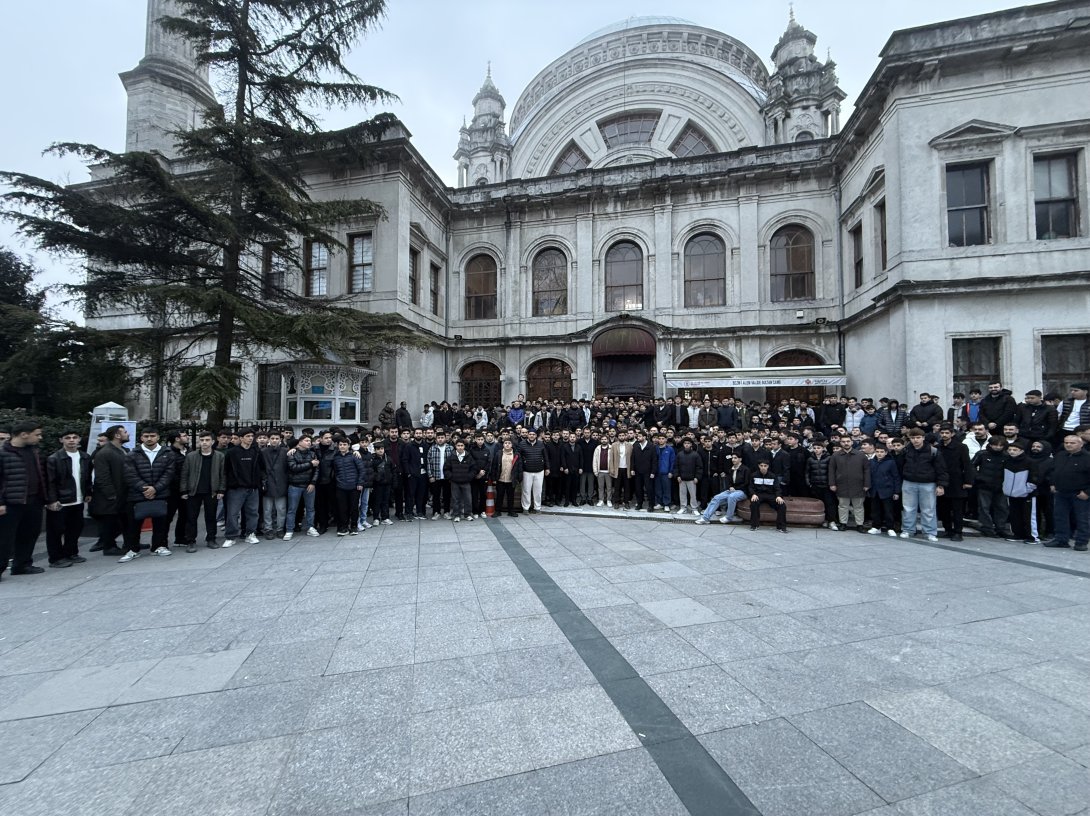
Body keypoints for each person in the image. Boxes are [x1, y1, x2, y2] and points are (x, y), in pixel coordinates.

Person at [0, 421, 48, 578]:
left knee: (29, 534)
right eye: (37, 434)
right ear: (24, 434)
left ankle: (22, 565)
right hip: (11, 503)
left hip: (34, 501)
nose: (40, 438)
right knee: (5, 539)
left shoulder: (34, 451)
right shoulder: (3, 453)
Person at [120, 426, 174, 561]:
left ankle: (158, 546)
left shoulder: (167, 453)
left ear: (158, 437)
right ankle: (133, 548)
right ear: (141, 438)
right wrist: (145, 489)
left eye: (152, 436)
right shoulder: (132, 454)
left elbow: (169, 473)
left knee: (160, 521)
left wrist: (155, 488)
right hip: (138, 494)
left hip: (160, 493)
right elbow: (130, 474)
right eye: (146, 436)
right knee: (134, 524)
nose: (149, 439)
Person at [44, 429, 93, 568]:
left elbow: (87, 477)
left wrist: (88, 492)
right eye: (67, 438)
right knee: (56, 531)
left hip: (78, 499)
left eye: (74, 437)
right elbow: (50, 482)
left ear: (78, 440)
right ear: (61, 440)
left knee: (75, 528)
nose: (71, 440)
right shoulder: (54, 458)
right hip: (61, 501)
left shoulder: (85, 457)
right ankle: (55, 558)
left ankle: (71, 552)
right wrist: (52, 500)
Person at [88, 424, 132, 556]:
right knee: (111, 523)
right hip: (111, 497)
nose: (128, 434)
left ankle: (129, 542)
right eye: (125, 432)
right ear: (117, 435)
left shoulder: (122, 450)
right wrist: (111, 495)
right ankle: (109, 546)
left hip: (122, 494)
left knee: (125, 520)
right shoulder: (105, 453)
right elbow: (102, 477)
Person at [899, 428, 948, 542]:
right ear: (909, 439)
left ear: (923, 438)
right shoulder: (906, 450)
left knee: (928, 509)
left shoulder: (933, 451)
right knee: (908, 508)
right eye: (912, 438)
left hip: (928, 483)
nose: (915, 440)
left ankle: (930, 532)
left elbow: (941, 469)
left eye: (918, 438)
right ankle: (908, 530)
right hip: (909, 482)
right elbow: (900, 466)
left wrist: (941, 485)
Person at [1043, 434, 1090, 551]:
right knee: (1060, 517)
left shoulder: (1087, 458)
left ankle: (1081, 542)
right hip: (1061, 492)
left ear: (1081, 444)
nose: (1068, 445)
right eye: (1066, 442)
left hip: (1080, 494)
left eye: (1072, 443)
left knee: (1082, 519)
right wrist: (1053, 483)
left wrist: (1087, 492)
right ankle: (1061, 540)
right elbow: (1053, 470)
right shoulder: (1060, 455)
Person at [181, 431, 226, 550]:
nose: (204, 443)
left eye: (207, 440)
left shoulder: (219, 456)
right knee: (191, 517)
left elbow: (223, 474)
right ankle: (191, 540)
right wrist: (184, 491)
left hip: (212, 491)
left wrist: (221, 490)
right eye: (202, 440)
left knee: (211, 517)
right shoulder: (191, 456)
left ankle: (211, 539)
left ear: (212, 441)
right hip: (193, 491)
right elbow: (185, 474)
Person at [223, 428, 263, 548]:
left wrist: (259, 482)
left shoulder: (256, 451)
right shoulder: (232, 452)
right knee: (233, 513)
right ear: (241, 438)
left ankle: (250, 533)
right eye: (247, 436)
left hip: (253, 487)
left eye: (252, 436)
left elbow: (261, 468)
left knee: (253, 513)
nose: (250, 438)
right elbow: (225, 470)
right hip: (236, 488)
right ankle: (231, 536)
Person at [936, 424, 972, 541]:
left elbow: (967, 465)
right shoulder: (938, 447)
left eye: (947, 433)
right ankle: (948, 530)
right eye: (942, 433)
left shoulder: (961, 447)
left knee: (957, 509)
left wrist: (968, 481)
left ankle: (958, 532)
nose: (944, 435)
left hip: (957, 481)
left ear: (952, 434)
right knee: (944, 508)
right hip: (942, 481)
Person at [828, 435, 870, 532]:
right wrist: (832, 484)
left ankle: (859, 524)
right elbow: (831, 470)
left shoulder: (860, 455)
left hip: (858, 484)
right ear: (841, 443)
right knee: (843, 505)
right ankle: (843, 523)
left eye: (848, 441)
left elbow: (866, 470)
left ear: (852, 442)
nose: (846, 443)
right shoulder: (835, 455)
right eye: (843, 441)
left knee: (858, 506)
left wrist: (867, 484)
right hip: (841, 484)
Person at [972, 436, 1010, 538]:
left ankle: (1000, 528)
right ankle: (987, 528)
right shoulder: (982, 454)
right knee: (984, 507)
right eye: (995, 445)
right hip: (984, 485)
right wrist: (978, 477)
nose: (997, 447)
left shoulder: (1006, 456)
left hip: (1001, 485)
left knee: (1002, 507)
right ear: (990, 444)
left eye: (1000, 445)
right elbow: (972, 466)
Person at [696, 453, 748, 525]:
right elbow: (729, 482)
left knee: (731, 497)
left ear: (740, 459)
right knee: (717, 497)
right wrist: (730, 487)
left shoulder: (745, 469)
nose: (733, 459)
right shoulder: (731, 469)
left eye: (735, 458)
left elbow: (746, 483)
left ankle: (729, 517)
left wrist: (735, 488)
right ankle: (705, 518)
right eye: (732, 458)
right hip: (732, 490)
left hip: (742, 491)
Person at [1002, 439, 1037, 543]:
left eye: (1015, 450)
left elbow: (1034, 477)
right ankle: (1017, 534)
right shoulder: (1007, 461)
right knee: (1014, 515)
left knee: (1029, 516)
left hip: (1027, 494)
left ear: (1021, 451)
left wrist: (1027, 489)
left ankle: (1032, 536)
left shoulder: (1030, 462)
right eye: (1010, 449)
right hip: (1011, 493)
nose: (1012, 452)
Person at [259, 430, 289, 539]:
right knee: (267, 509)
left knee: (281, 508)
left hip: (281, 482)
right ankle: (268, 529)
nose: (274, 441)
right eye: (272, 438)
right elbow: (261, 467)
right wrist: (264, 478)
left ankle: (280, 528)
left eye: (277, 439)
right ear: (268, 440)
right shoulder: (263, 452)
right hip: (267, 482)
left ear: (280, 440)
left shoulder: (286, 451)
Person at [331, 436, 363, 535]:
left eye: (345, 445)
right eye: (340, 445)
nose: (342, 446)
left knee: (354, 507)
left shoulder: (354, 456)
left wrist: (360, 483)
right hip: (341, 487)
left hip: (354, 486)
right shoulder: (335, 457)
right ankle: (343, 527)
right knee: (342, 508)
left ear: (349, 446)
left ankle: (354, 526)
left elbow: (361, 470)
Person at [866, 445, 901, 536]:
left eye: (881, 452)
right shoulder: (871, 462)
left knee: (888, 510)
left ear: (886, 453)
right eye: (877, 452)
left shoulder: (891, 462)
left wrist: (896, 491)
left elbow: (896, 477)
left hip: (887, 490)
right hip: (874, 490)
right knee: (875, 510)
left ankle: (890, 527)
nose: (879, 454)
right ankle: (876, 527)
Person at [748, 460, 787, 532]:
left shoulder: (773, 476)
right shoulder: (753, 475)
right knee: (753, 503)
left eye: (765, 466)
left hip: (770, 495)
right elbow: (750, 487)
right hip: (758, 495)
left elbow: (777, 488)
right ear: (759, 466)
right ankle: (754, 525)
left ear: (768, 466)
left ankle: (780, 527)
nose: (763, 467)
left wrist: (778, 496)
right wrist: (753, 494)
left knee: (782, 505)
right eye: (761, 466)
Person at [517, 430, 549, 513]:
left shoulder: (541, 444)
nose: (531, 436)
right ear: (527, 435)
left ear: (536, 435)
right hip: (526, 471)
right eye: (530, 434)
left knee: (538, 491)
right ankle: (525, 508)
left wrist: (547, 468)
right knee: (526, 491)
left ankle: (537, 507)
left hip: (539, 471)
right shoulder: (522, 444)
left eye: (533, 434)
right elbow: (518, 456)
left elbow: (545, 456)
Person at [444, 439, 476, 521]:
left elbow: (473, 469)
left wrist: (469, 477)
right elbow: (446, 469)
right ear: (455, 446)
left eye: (462, 446)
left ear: (464, 446)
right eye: (458, 446)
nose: (460, 447)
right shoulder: (451, 456)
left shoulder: (469, 456)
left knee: (468, 499)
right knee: (455, 499)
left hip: (466, 482)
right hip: (455, 482)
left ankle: (467, 514)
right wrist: (451, 477)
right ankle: (456, 515)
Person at [490, 438, 521, 517]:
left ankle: (511, 511)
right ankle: (497, 511)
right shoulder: (499, 453)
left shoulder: (516, 454)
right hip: (500, 479)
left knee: (511, 496)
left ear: (512, 445)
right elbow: (494, 466)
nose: (507, 444)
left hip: (511, 479)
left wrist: (519, 478)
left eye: (509, 443)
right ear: (503, 444)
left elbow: (519, 467)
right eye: (505, 443)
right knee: (499, 495)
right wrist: (493, 478)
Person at [675, 437, 703, 514]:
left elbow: (699, 467)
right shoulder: (679, 454)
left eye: (688, 443)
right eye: (685, 443)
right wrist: (677, 475)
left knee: (693, 495)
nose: (686, 445)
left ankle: (694, 508)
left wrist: (697, 477)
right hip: (682, 478)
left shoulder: (695, 455)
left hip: (692, 479)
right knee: (682, 494)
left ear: (691, 444)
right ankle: (683, 507)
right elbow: (676, 466)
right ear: (683, 444)